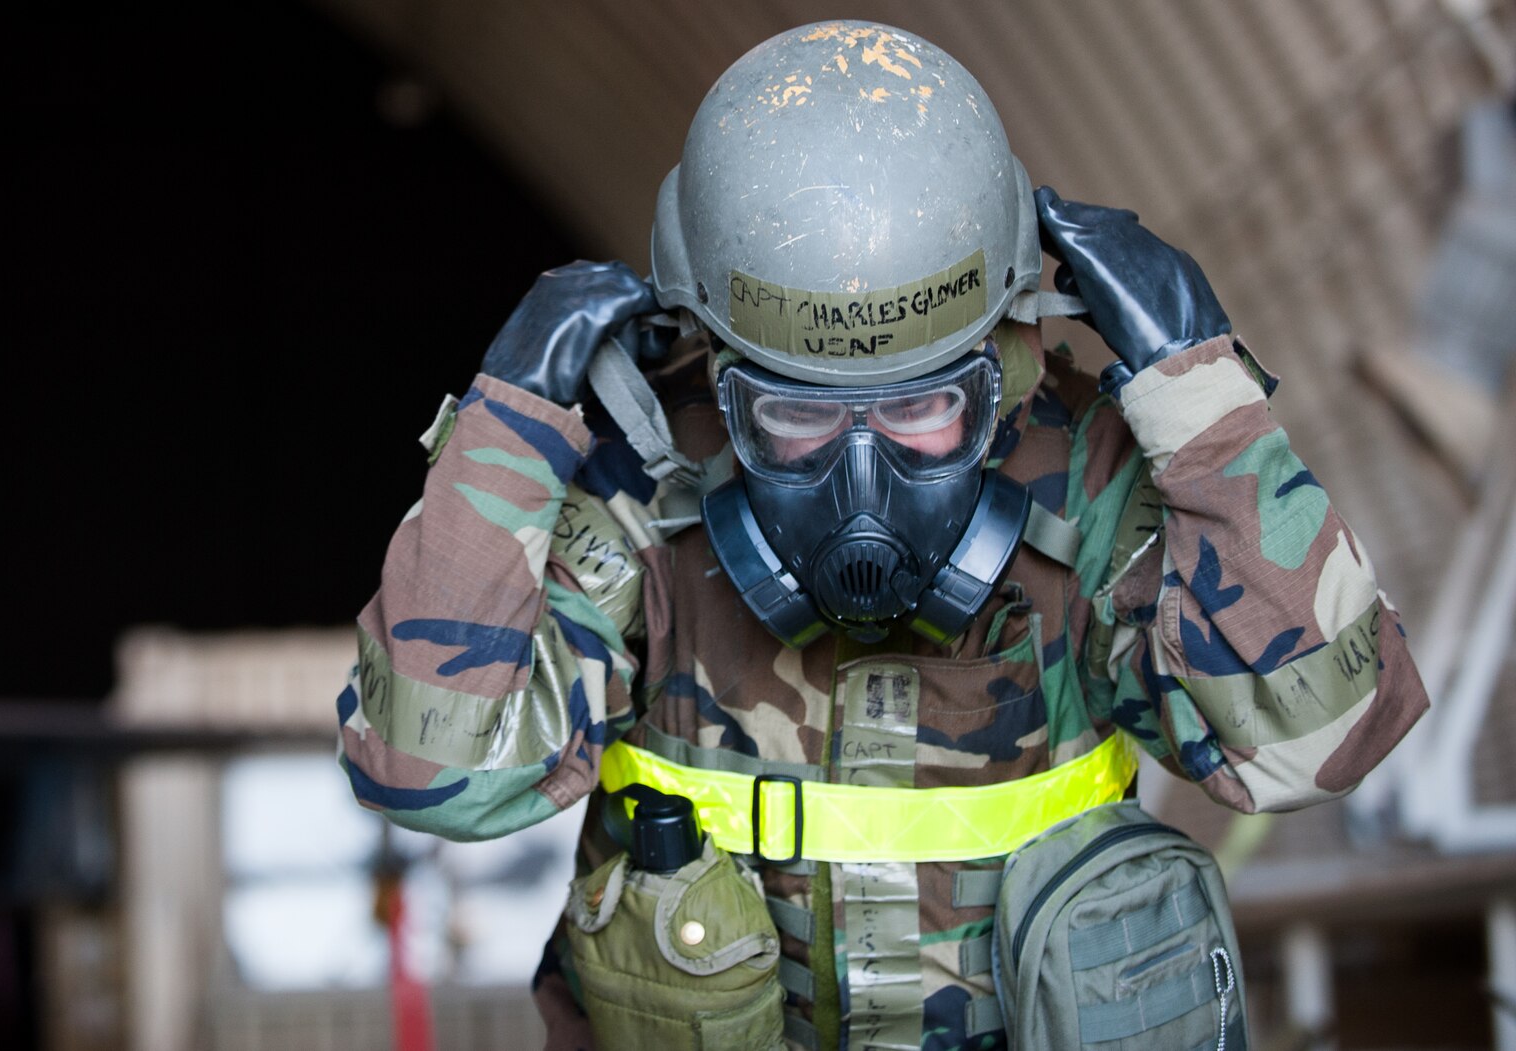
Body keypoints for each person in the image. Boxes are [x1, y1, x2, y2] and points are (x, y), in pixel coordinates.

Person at [336, 19, 1430, 1051]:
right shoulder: (646, 480)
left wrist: (1202, 400)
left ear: (996, 371)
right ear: (724, 387)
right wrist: (508, 424)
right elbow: (431, 769)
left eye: (921, 409)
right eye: (800, 418)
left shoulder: (1084, 469)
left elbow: (1316, 740)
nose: (863, 482)